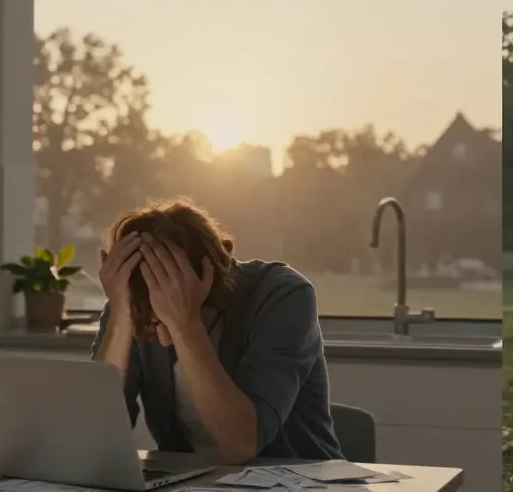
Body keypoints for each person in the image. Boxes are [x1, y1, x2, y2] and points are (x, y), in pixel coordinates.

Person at [89, 198, 344, 464]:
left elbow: (242, 445)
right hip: (194, 491)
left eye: (169, 315)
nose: (164, 340)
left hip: (297, 487)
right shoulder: (130, 302)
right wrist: (120, 318)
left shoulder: (282, 296)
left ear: (211, 278)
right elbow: (94, 437)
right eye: (153, 327)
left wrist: (185, 326)